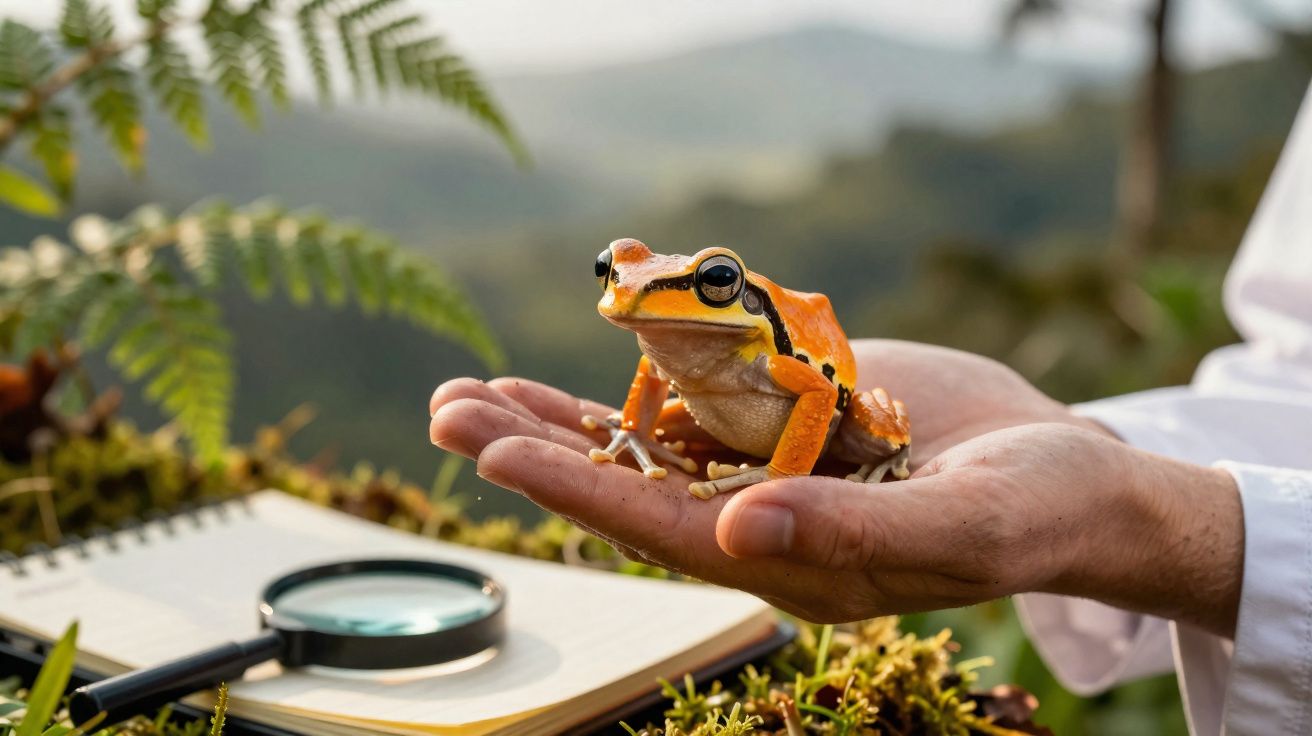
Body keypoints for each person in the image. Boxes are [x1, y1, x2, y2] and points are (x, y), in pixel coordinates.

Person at [428, 81, 1312, 735]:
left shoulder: (766, 341)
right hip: (732, 414)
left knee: (873, 425)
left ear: (734, 293)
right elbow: (1291, 364)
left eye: (712, 284)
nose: (629, 292)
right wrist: (633, 434)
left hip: (822, 406)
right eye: (612, 274)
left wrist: (1151, 511)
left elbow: (819, 388)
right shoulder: (654, 327)